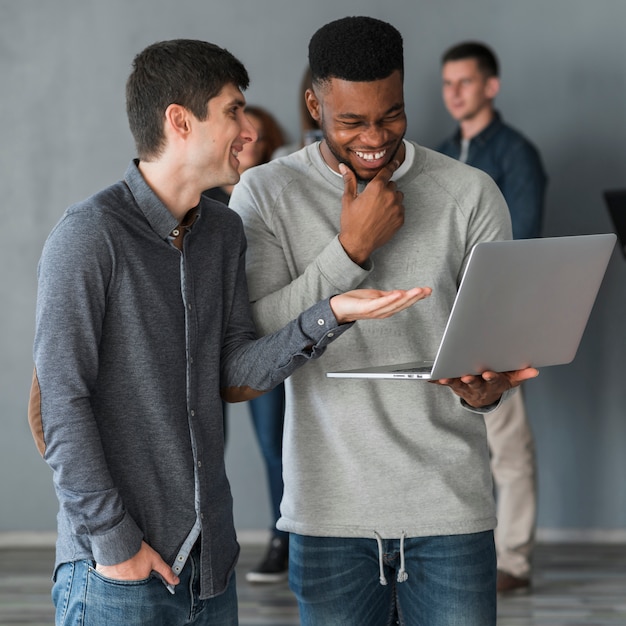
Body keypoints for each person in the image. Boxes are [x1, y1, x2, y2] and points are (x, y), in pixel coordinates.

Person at [27, 38, 432, 626]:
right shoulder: (88, 237)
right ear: (179, 121)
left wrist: (332, 313)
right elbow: (58, 406)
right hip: (116, 574)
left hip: (210, 572)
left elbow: (236, 368)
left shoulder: (222, 232)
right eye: (233, 110)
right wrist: (115, 544)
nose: (249, 128)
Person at [230, 16, 538, 626]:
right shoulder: (264, 195)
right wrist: (348, 255)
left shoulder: (471, 194)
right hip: (329, 516)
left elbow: (497, 348)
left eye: (391, 115)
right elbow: (255, 345)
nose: (375, 137)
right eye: (351, 121)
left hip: (450, 512)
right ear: (314, 103)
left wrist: (489, 390)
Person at [436, 40, 548, 594]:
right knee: (447, 438)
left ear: (490, 86)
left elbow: (519, 242)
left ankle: (515, 561)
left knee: (506, 443)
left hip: (496, 318)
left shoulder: (516, 154)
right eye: (447, 83)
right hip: (439, 318)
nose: (453, 92)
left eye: (464, 81)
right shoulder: (435, 153)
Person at [206, 105, 292, 583]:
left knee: (273, 444)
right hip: (210, 340)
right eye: (236, 130)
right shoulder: (206, 201)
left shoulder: (278, 194)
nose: (244, 138)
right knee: (206, 444)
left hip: (263, 338)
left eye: (252, 135)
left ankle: (282, 538)